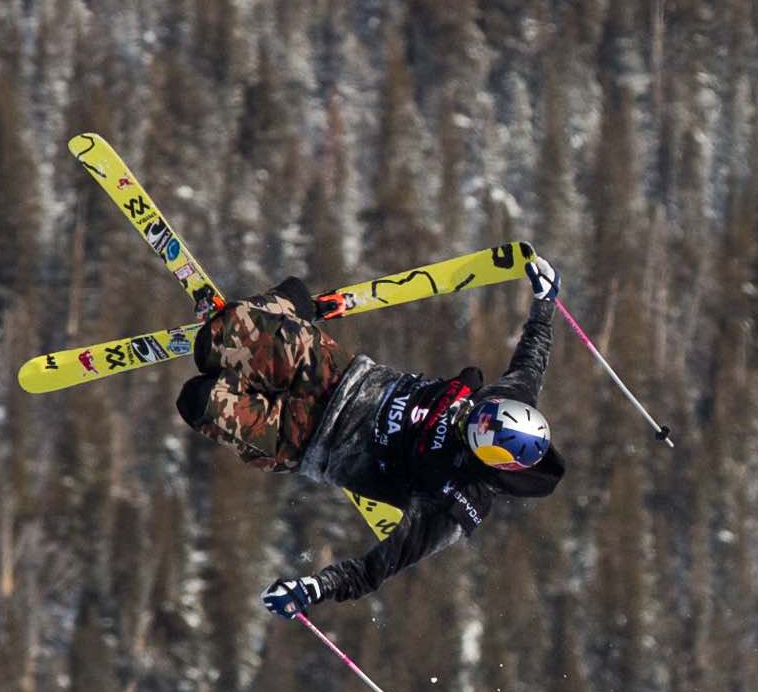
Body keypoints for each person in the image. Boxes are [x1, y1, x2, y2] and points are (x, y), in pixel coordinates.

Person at [176, 254, 567, 612]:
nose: (473, 414)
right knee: (214, 340)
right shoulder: (511, 399)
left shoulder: (457, 503)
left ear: (490, 457)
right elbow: (533, 355)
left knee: (198, 400)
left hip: (304, 441)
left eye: (479, 427)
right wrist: (545, 300)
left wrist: (311, 589)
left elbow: (374, 570)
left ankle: (283, 311)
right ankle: (285, 310)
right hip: (331, 374)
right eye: (486, 411)